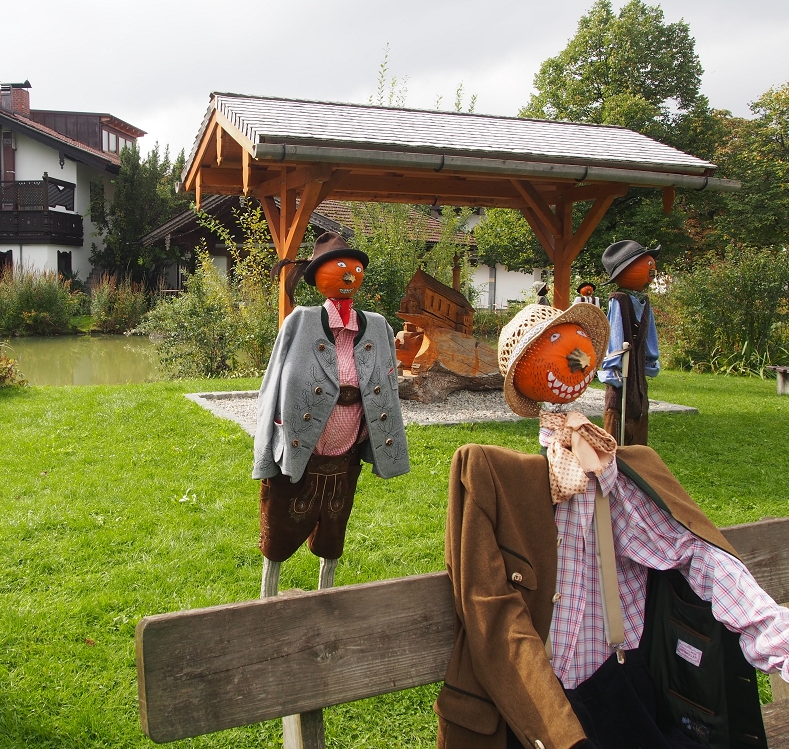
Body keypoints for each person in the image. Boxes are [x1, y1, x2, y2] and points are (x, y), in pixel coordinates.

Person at [435, 303, 789, 749]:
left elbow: (694, 551)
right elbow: (492, 615)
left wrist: (776, 637)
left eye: (573, 338)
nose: (574, 355)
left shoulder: (618, 475)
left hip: (618, 691)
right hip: (533, 710)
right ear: (521, 375)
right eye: (551, 342)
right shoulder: (490, 477)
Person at [253, 232, 409, 597]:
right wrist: (264, 452)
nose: (350, 274)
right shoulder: (301, 322)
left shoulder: (377, 326)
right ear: (319, 274)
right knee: (278, 532)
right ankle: (267, 600)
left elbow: (389, 386)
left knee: (333, 532)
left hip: (344, 456)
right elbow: (271, 386)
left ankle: (327, 597)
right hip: (299, 453)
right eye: (340, 266)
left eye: (356, 267)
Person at [597, 240, 660, 445]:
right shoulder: (619, 299)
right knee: (618, 410)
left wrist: (650, 359)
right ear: (628, 270)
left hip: (637, 371)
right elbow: (614, 333)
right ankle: (617, 453)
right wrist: (614, 364)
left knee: (638, 407)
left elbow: (649, 333)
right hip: (622, 371)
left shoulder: (644, 301)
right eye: (646, 265)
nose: (652, 269)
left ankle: (637, 452)